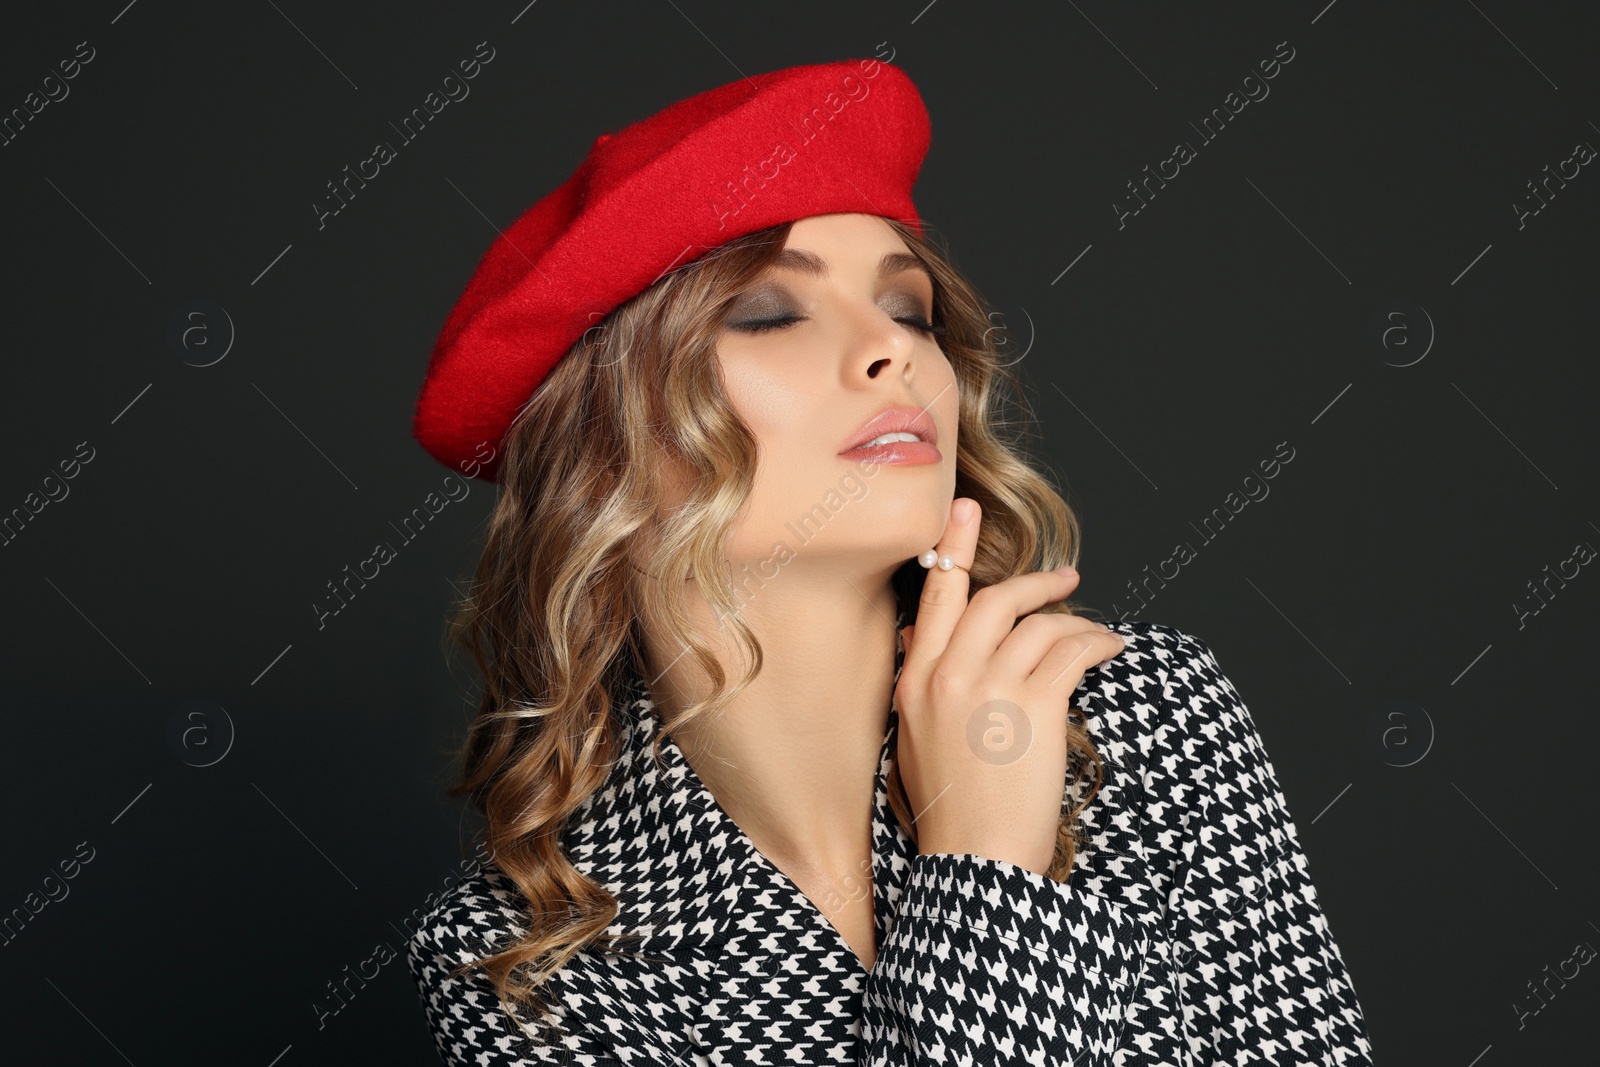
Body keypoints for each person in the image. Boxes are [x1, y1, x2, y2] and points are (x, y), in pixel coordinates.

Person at [403, 58, 1375, 1065]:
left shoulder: (1138, 711)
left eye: (909, 310)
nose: (894, 351)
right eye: (771, 313)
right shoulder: (525, 957)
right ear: (599, 449)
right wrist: (980, 866)